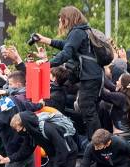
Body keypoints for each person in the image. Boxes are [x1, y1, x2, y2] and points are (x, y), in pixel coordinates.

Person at [35, 6, 104, 138]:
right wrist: (45, 40)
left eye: (61, 19)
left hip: (90, 76)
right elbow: (66, 45)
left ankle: (98, 143)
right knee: (87, 108)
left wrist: (47, 63)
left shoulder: (77, 32)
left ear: (67, 19)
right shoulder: (81, 30)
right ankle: (94, 141)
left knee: (87, 109)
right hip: (92, 75)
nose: (60, 22)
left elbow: (67, 52)